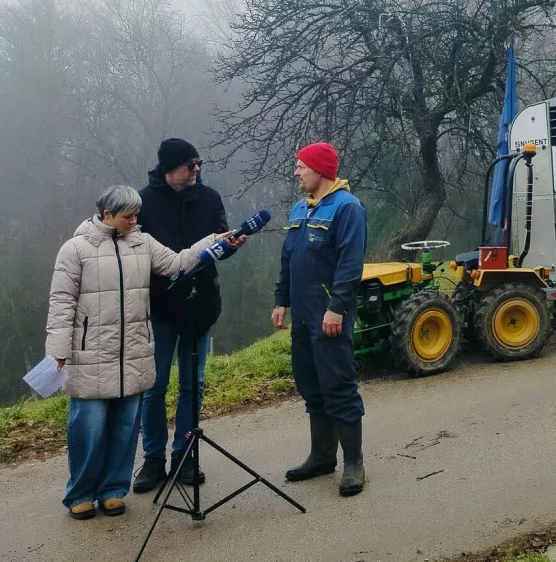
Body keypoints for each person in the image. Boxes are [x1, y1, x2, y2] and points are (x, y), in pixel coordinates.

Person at [45, 185, 245, 520]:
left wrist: (215, 241)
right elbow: (62, 303)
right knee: (89, 428)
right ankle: (80, 493)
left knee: (125, 428)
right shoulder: (75, 250)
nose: (135, 221)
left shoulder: (143, 243)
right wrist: (57, 351)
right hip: (90, 355)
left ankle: (112, 489)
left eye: (137, 215)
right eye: (128, 216)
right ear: (107, 214)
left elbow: (178, 262)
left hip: (134, 353)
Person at [132, 138, 239, 493]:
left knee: (193, 383)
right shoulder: (143, 203)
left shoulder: (209, 198)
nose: (196, 170)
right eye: (189, 165)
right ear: (168, 168)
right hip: (160, 306)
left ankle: (185, 455)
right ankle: (153, 459)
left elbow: (220, 248)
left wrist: (230, 247)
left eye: (198, 164)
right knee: (154, 384)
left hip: (200, 303)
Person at [272, 141, 368, 496]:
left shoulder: (347, 207)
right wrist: (281, 300)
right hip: (302, 314)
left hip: (328, 313)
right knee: (310, 384)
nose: (296, 173)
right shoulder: (301, 208)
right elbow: (288, 259)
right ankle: (322, 457)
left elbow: (350, 265)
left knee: (338, 386)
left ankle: (354, 464)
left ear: (320, 170)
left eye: (301, 166)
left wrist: (337, 307)